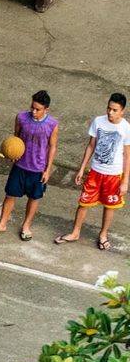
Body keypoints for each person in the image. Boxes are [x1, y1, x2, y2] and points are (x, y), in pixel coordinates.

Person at [55, 93, 130, 250]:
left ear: (122, 111)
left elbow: (127, 157)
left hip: (114, 175)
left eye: (115, 110)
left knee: (110, 206)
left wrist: (125, 181)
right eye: (109, 108)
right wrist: (82, 169)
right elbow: (91, 146)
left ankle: (103, 235)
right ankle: (75, 232)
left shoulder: (126, 128)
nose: (110, 112)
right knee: (83, 203)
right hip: (95, 172)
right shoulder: (98, 121)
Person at [0, 90, 58, 241]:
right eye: (32, 107)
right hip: (20, 165)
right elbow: (15, 138)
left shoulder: (52, 125)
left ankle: (26, 226)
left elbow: (52, 147)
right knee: (10, 194)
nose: (33, 111)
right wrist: (12, 153)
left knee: (34, 198)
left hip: (38, 167)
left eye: (38, 109)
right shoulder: (21, 118)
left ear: (46, 110)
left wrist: (48, 169)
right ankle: (2, 223)